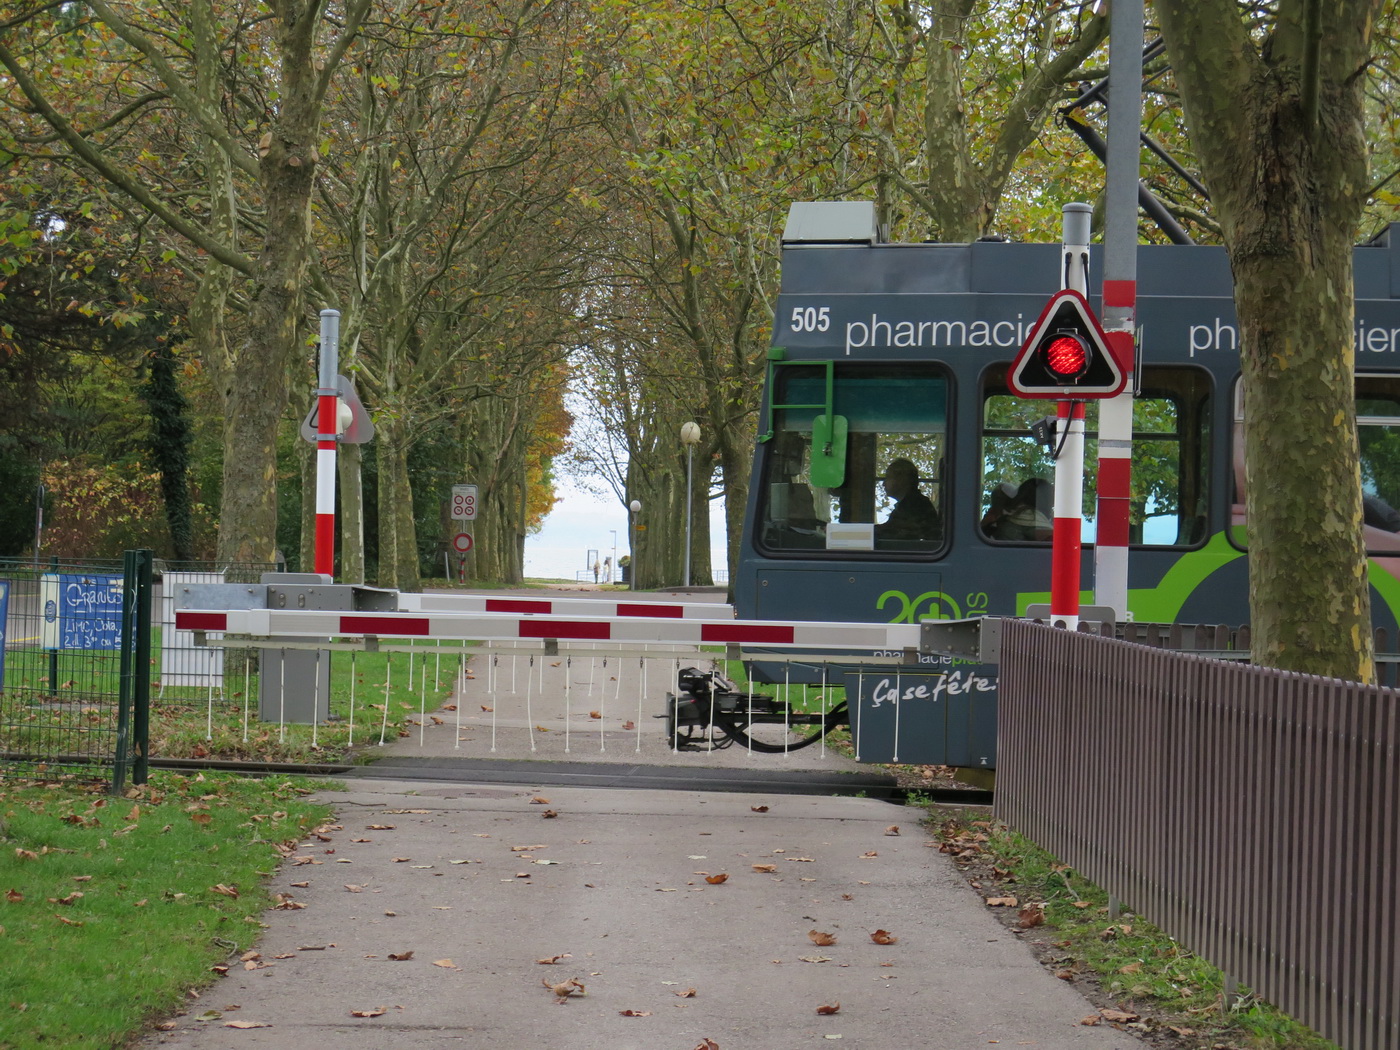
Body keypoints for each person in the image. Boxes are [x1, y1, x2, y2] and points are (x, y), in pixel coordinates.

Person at [875, 457, 941, 541]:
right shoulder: (910, 504)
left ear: (902, 480)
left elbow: (892, 533)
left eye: (888, 477)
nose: (883, 484)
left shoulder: (915, 506)